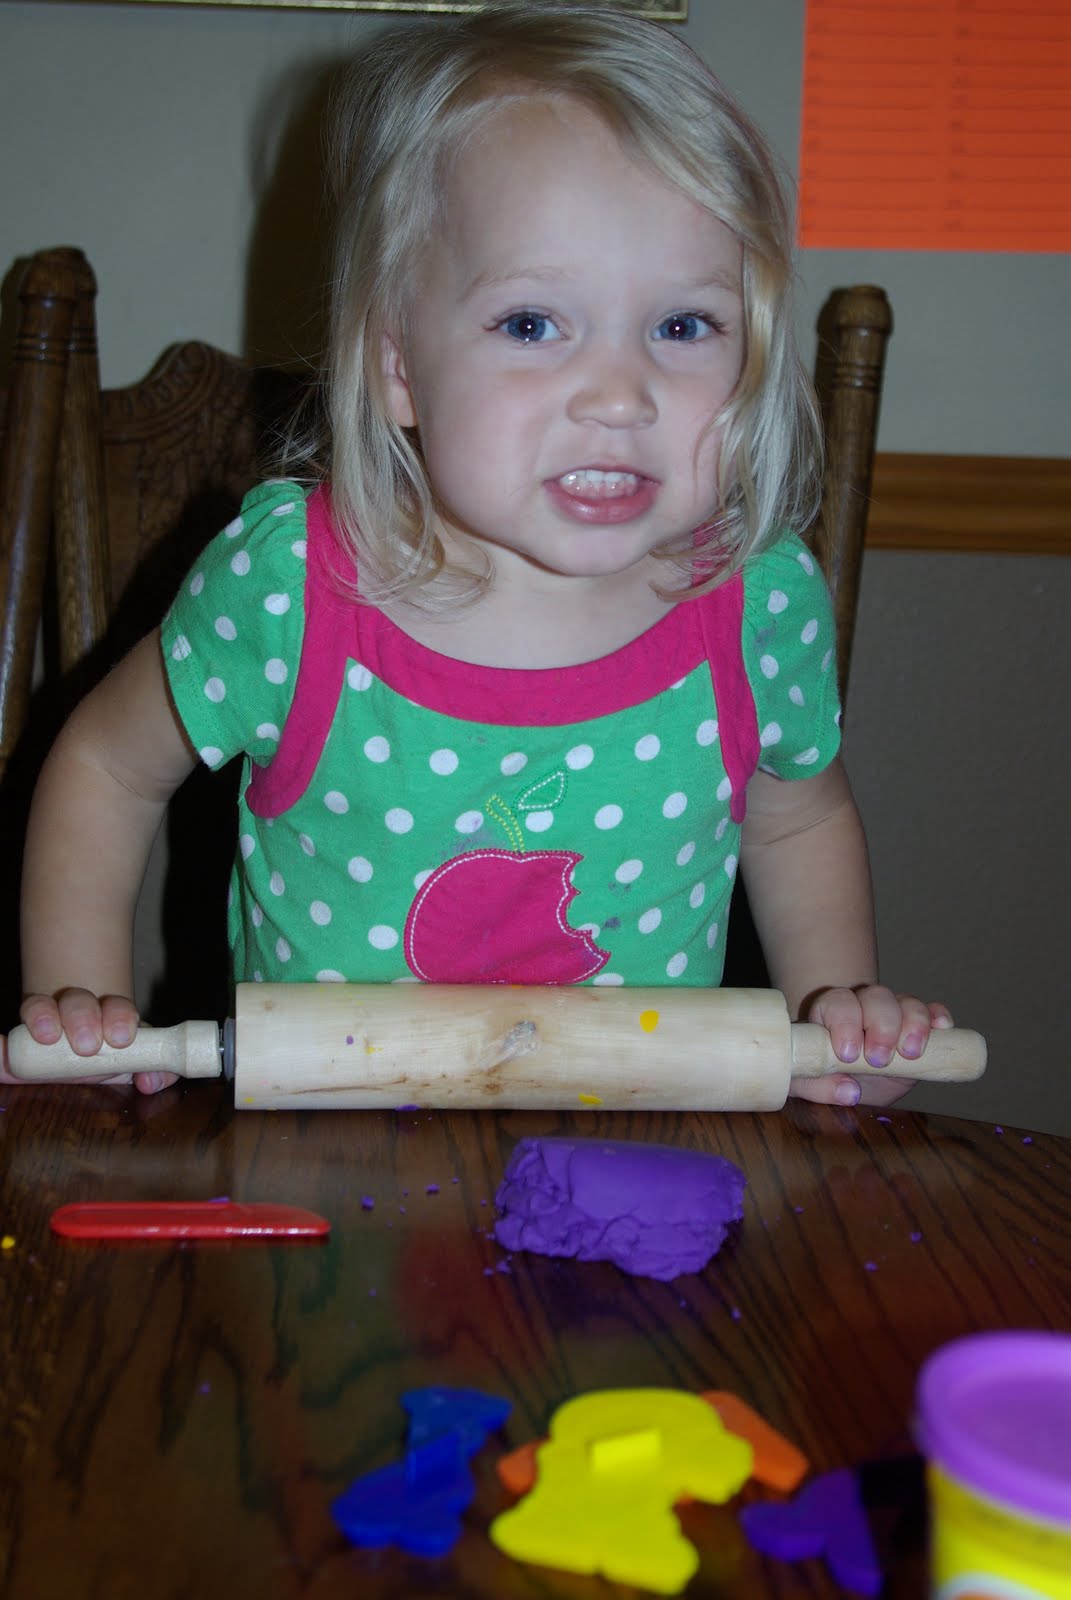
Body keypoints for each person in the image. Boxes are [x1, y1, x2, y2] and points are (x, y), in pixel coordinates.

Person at [7, 3, 951, 1104]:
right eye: (532, 325)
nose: (619, 395)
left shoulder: (755, 604)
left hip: (638, 1167)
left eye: (683, 326)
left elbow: (800, 818)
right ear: (399, 367)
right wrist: (81, 997)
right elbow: (110, 768)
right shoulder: (294, 590)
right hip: (317, 1171)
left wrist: (834, 1011)